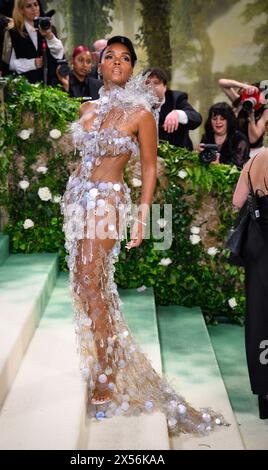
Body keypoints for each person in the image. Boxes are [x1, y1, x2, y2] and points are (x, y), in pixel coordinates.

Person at [61, 35, 226, 434]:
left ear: (132, 68)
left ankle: (106, 372)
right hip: (78, 201)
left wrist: (141, 216)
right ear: (99, 66)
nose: (117, 62)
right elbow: (81, 158)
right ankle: (107, 358)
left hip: (108, 202)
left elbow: (149, 168)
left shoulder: (140, 113)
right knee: (84, 288)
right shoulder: (86, 108)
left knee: (92, 283)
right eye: (110, 57)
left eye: (125, 58)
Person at [233, 148, 268, 419]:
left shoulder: (256, 159)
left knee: (259, 316)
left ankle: (265, 394)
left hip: (258, 246)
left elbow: (237, 200)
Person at [8, 0, 64, 85]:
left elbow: (59, 54)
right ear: (21, 10)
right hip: (28, 86)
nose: (34, 9)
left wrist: (49, 36)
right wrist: (33, 63)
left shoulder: (49, 28)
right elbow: (11, 64)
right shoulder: (15, 32)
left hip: (50, 85)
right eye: (28, 6)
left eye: (36, 4)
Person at [145, 67, 202, 150]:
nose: (151, 87)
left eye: (156, 83)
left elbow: (197, 119)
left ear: (165, 87)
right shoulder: (139, 104)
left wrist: (177, 114)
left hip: (179, 156)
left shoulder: (176, 99)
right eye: (147, 83)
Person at [219, 78, 268, 158]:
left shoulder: (265, 112)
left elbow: (253, 139)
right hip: (237, 149)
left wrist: (251, 115)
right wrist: (245, 86)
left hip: (254, 153)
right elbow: (222, 82)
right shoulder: (241, 103)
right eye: (257, 94)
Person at [198, 102, 249, 168]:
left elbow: (237, 167)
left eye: (222, 119)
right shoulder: (207, 136)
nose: (218, 122)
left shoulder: (240, 139)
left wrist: (218, 166)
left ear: (229, 120)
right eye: (214, 119)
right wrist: (197, 154)